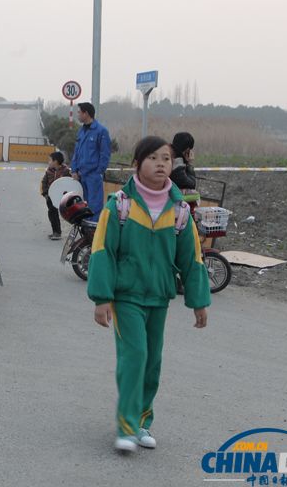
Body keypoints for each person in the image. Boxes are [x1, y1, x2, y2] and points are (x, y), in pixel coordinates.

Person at [87, 135, 210, 453]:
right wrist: (102, 298)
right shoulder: (120, 206)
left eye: (166, 159)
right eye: (153, 158)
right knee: (135, 356)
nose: (161, 164)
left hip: (159, 297)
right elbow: (102, 251)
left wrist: (198, 301)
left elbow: (192, 258)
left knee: (152, 362)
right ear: (137, 164)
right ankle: (126, 428)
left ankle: (142, 423)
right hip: (125, 296)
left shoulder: (180, 211)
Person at [70, 102, 111, 222]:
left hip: (93, 176)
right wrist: (74, 170)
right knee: (82, 205)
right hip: (80, 175)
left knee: (94, 206)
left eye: (79, 112)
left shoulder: (101, 131)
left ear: (86, 113)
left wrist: (99, 172)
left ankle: (93, 235)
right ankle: (84, 233)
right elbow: (76, 152)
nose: (77, 115)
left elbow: (105, 154)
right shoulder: (81, 131)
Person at [40, 151, 71, 240]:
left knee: (59, 214)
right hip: (50, 197)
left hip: (61, 197)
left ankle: (57, 232)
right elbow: (44, 182)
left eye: (50, 160)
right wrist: (45, 194)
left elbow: (68, 183)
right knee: (52, 213)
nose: (48, 162)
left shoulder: (65, 171)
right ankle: (56, 232)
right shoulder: (49, 171)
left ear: (56, 161)